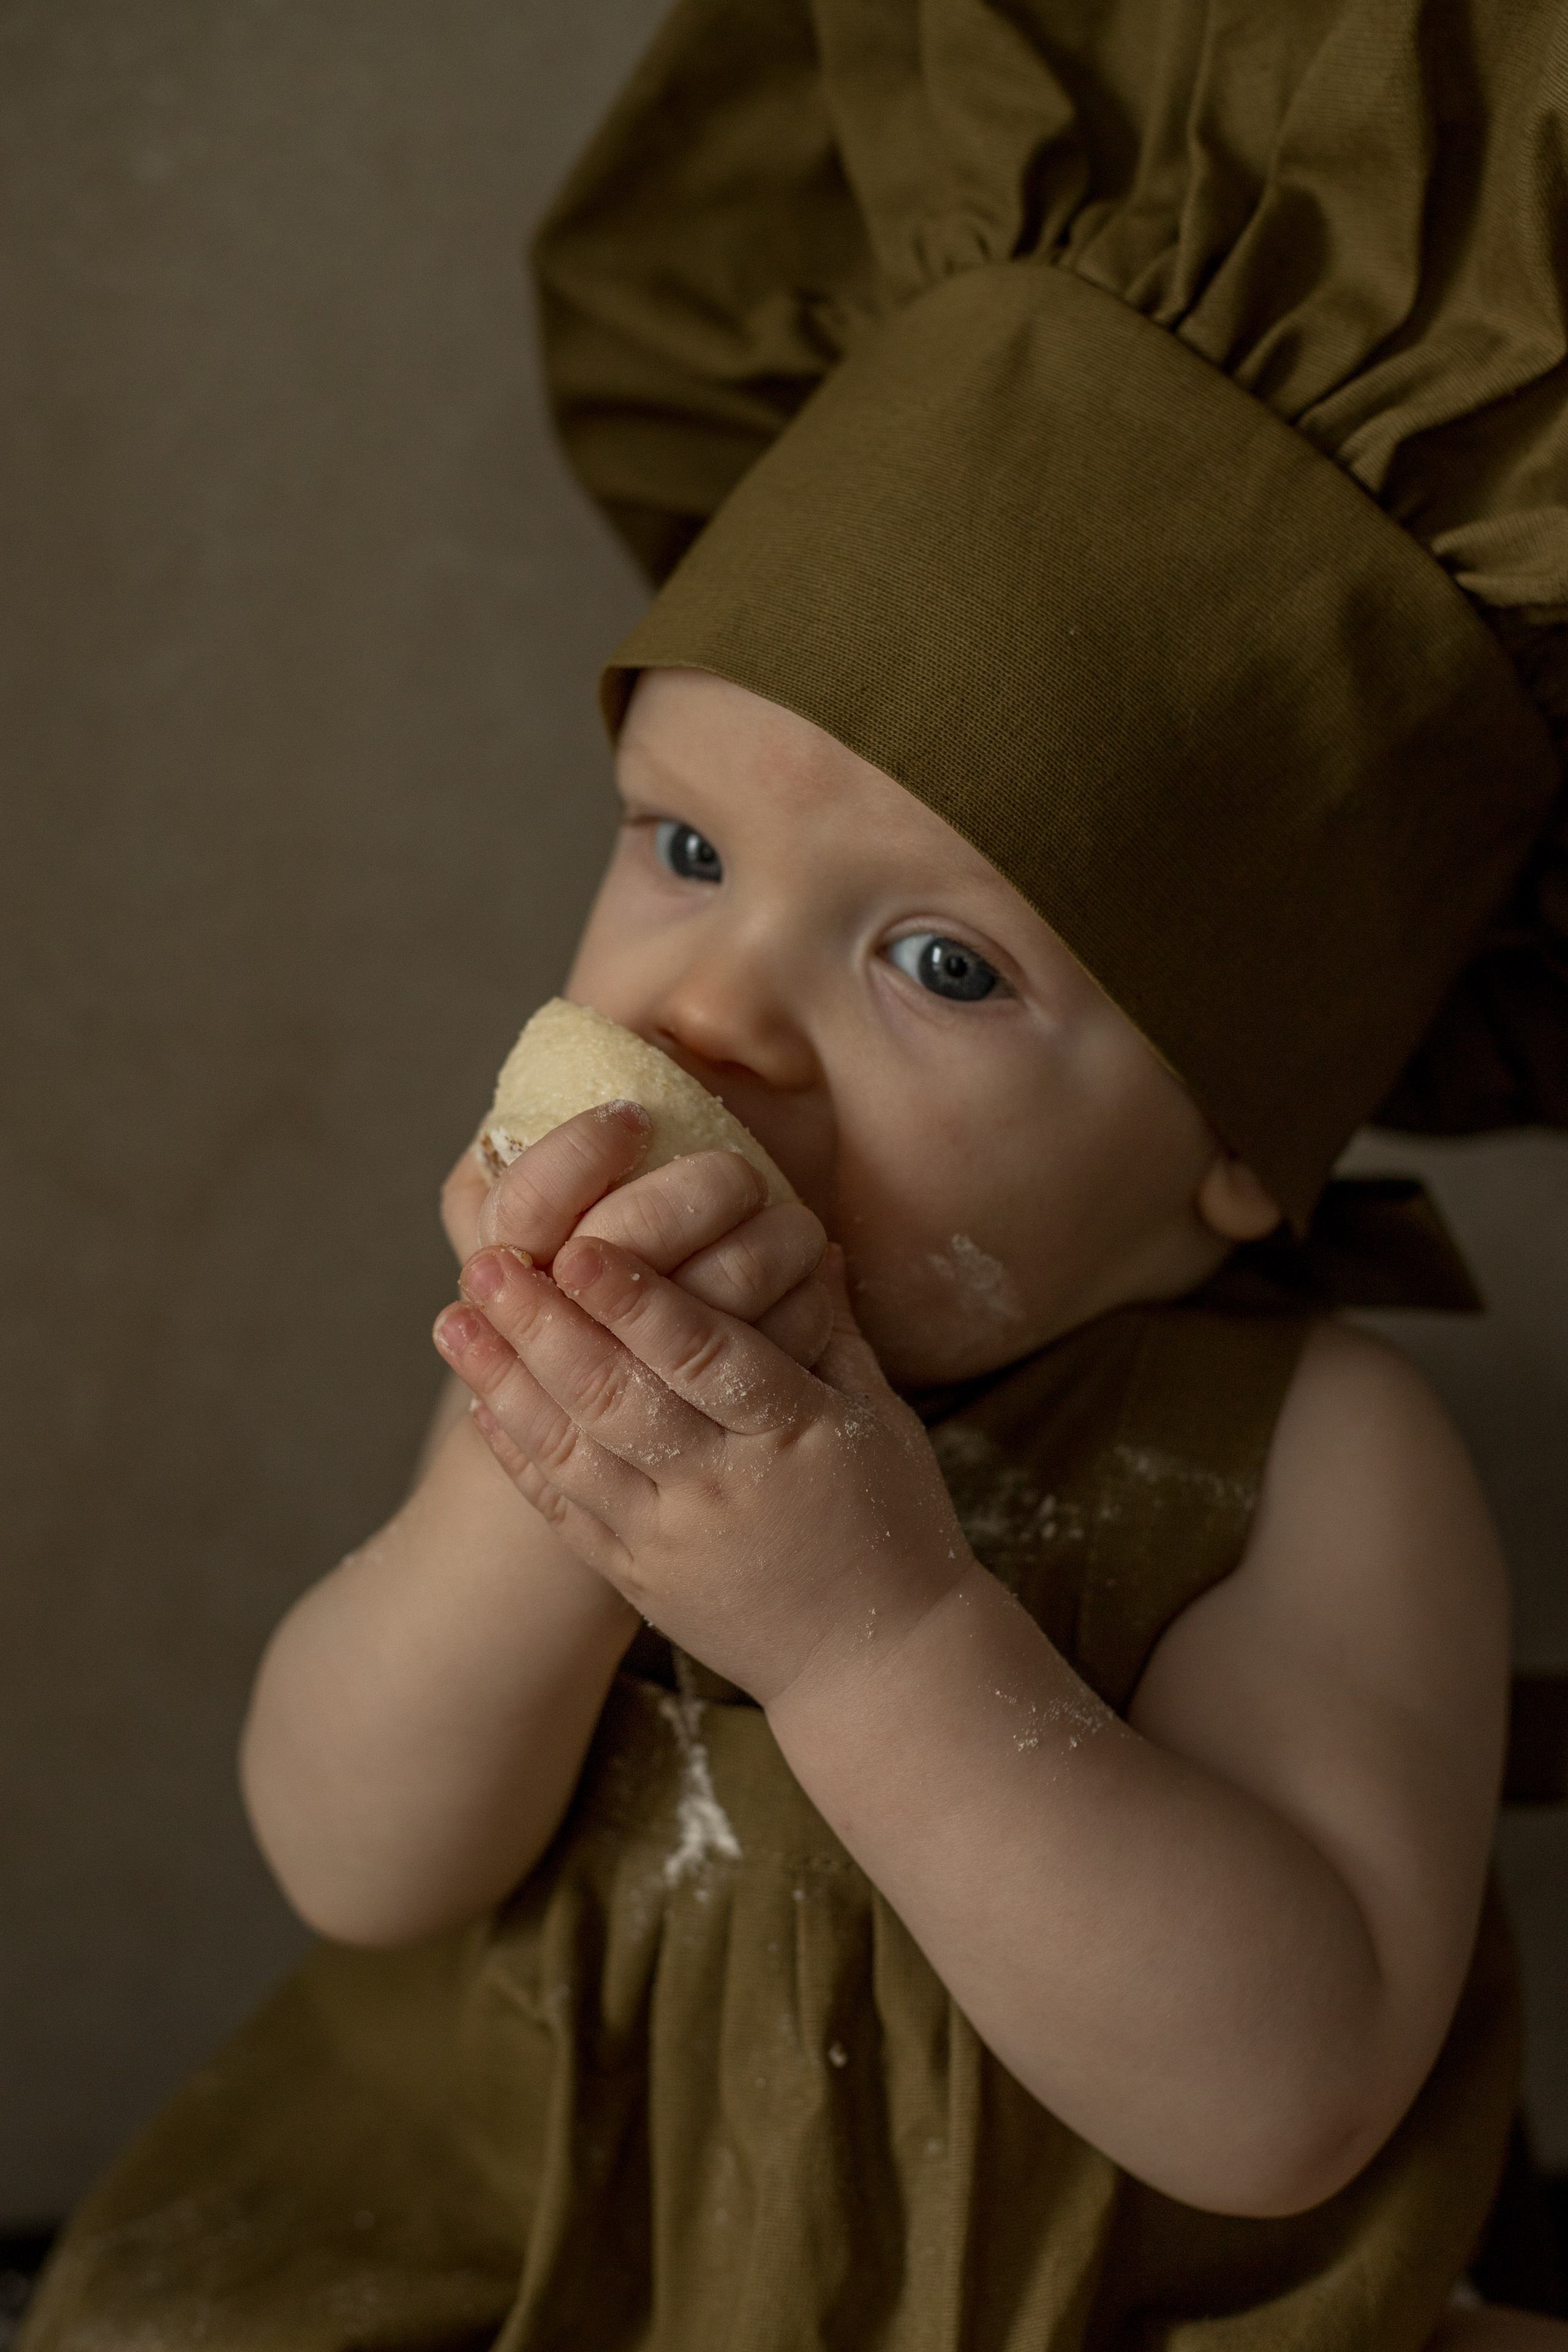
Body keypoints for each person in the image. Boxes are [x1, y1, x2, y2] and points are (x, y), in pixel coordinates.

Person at [21, 2, 1568, 2346]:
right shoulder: (595, 1348)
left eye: (942, 959)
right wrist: (522, 1520)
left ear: (1234, 1143)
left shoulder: (1307, 1460)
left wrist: (873, 1638)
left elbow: (1288, 2097)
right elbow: (352, 1860)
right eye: (682, 842)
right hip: (545, 2263)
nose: (712, 1014)